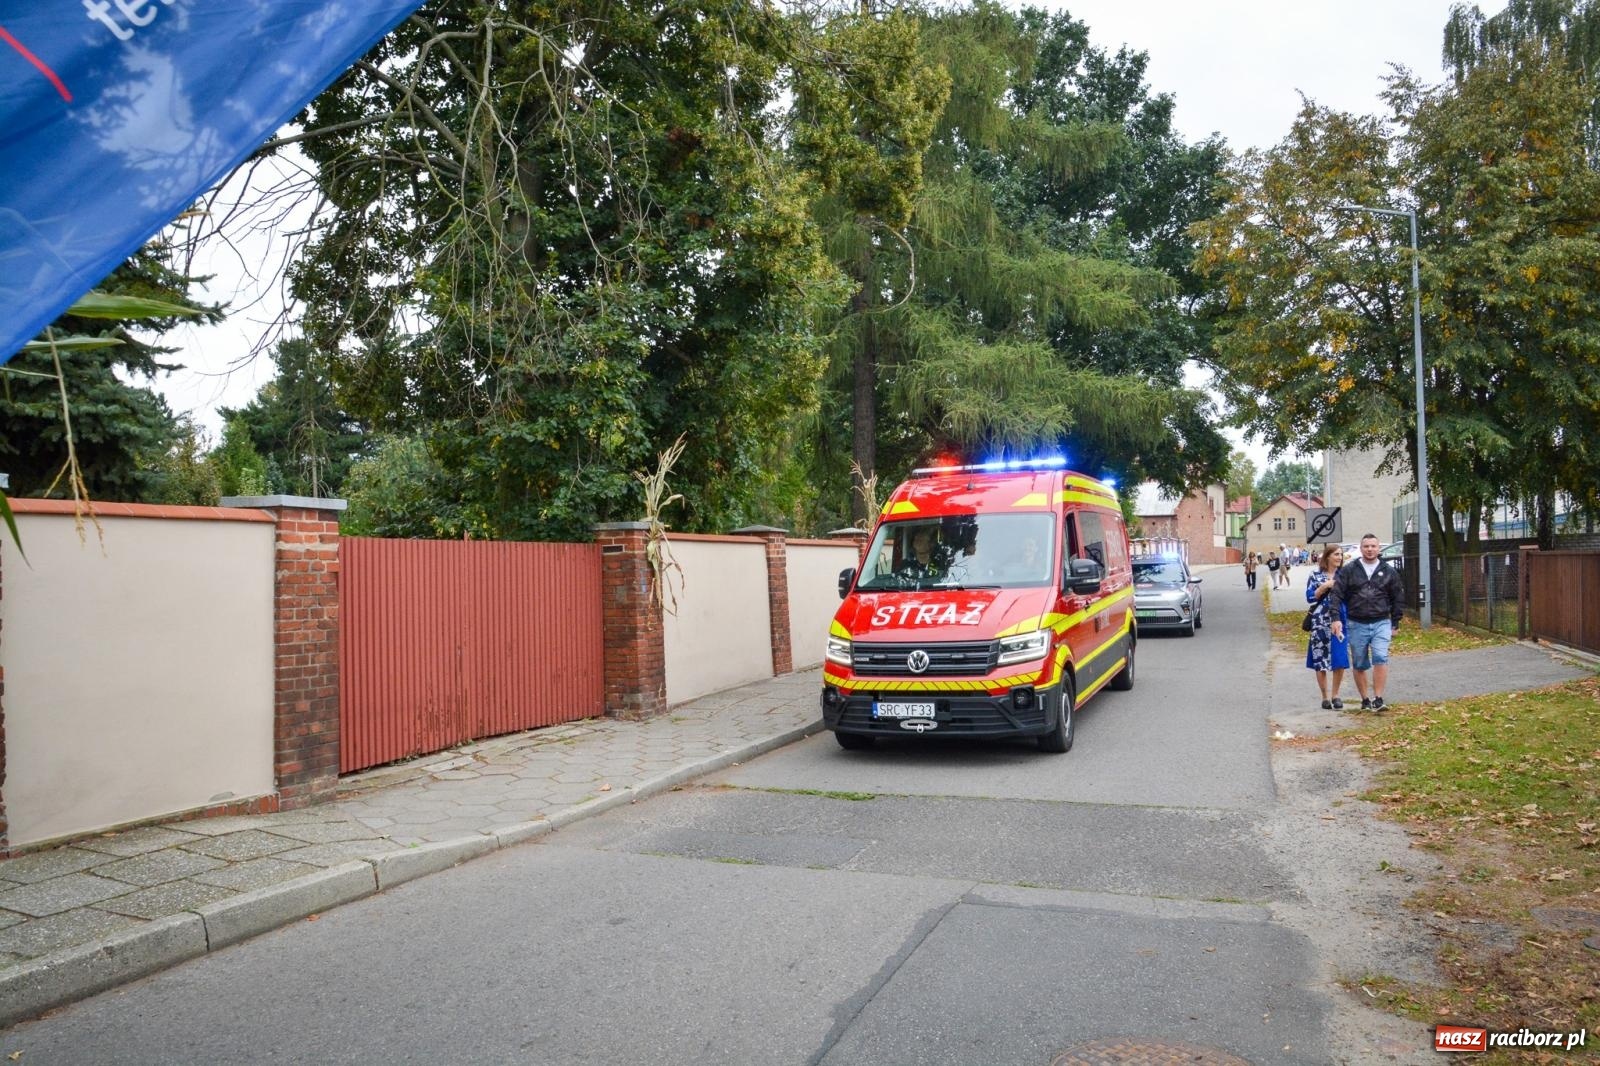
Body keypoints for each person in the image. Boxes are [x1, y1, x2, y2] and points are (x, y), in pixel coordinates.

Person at [1329, 532, 1406, 712]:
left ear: (1378, 549)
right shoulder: (1350, 570)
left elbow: (1397, 596)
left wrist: (1395, 622)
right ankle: (1365, 699)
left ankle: (1378, 698)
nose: (1370, 549)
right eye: (1366, 546)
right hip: (1356, 622)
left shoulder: (1388, 571)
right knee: (1360, 662)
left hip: (1381, 621)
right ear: (1361, 548)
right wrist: (1335, 619)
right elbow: (1337, 594)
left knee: (1380, 656)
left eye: (1373, 546)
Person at [1305, 544, 1349, 709]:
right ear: (1328, 556)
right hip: (1320, 621)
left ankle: (1336, 695)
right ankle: (1324, 696)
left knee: (1339, 658)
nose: (1339, 557)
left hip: (1339, 621)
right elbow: (1309, 597)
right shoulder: (1315, 575)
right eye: (1336, 554)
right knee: (1320, 658)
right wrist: (1324, 586)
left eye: (1341, 555)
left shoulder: (1344, 575)